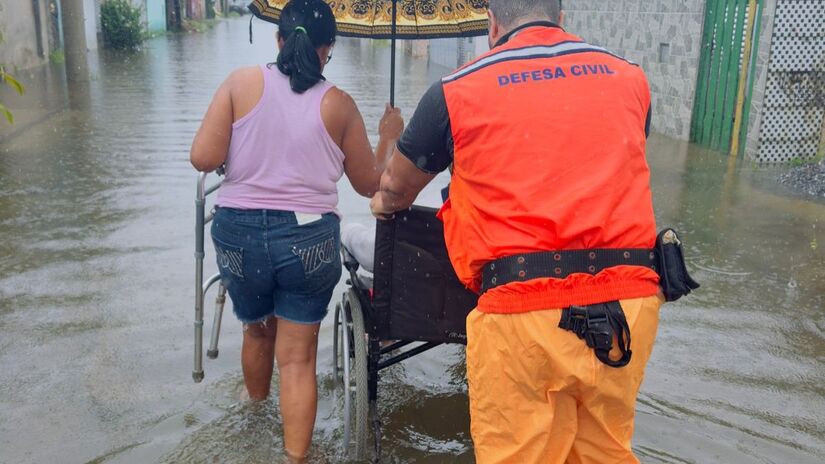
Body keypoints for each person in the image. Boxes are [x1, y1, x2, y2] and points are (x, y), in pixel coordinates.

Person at [369, 1, 664, 462]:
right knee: (605, 452)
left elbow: (396, 186)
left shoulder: (457, 90)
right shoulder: (631, 78)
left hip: (522, 315)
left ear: (492, 25)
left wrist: (382, 201)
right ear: (561, 20)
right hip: (628, 307)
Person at [189, 0, 403, 461]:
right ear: (328, 49)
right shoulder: (339, 105)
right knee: (298, 358)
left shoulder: (240, 83)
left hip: (239, 237)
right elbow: (370, 184)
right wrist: (389, 134)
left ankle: (253, 416)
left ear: (279, 40)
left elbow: (203, 159)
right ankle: (295, 458)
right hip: (308, 241)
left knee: (256, 331)